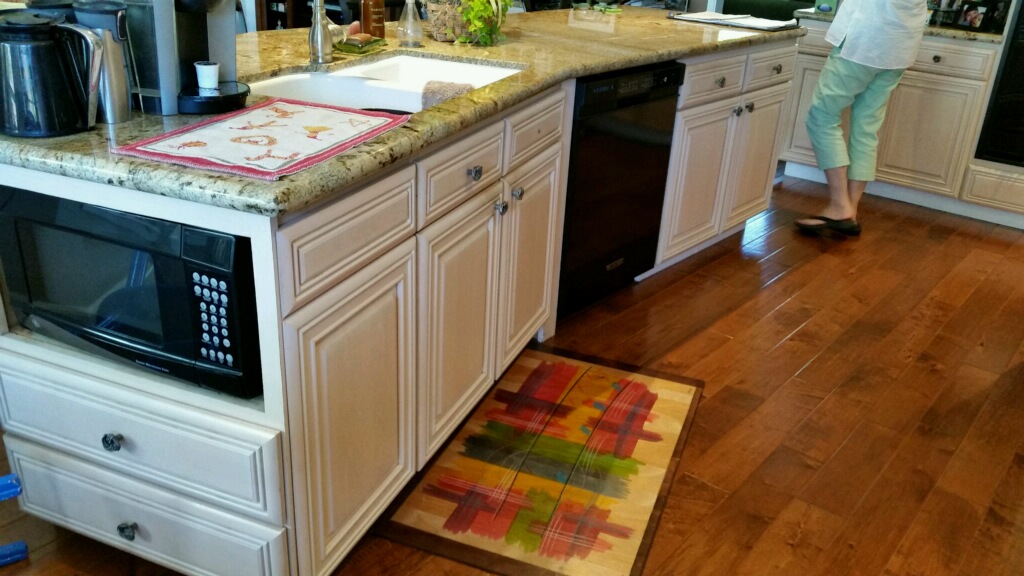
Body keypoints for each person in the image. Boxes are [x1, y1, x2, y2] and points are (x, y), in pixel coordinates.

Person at [795, 0, 929, 236]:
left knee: (822, 115)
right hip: (900, 42)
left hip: (865, 38)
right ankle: (849, 210)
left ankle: (840, 205)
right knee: (866, 128)